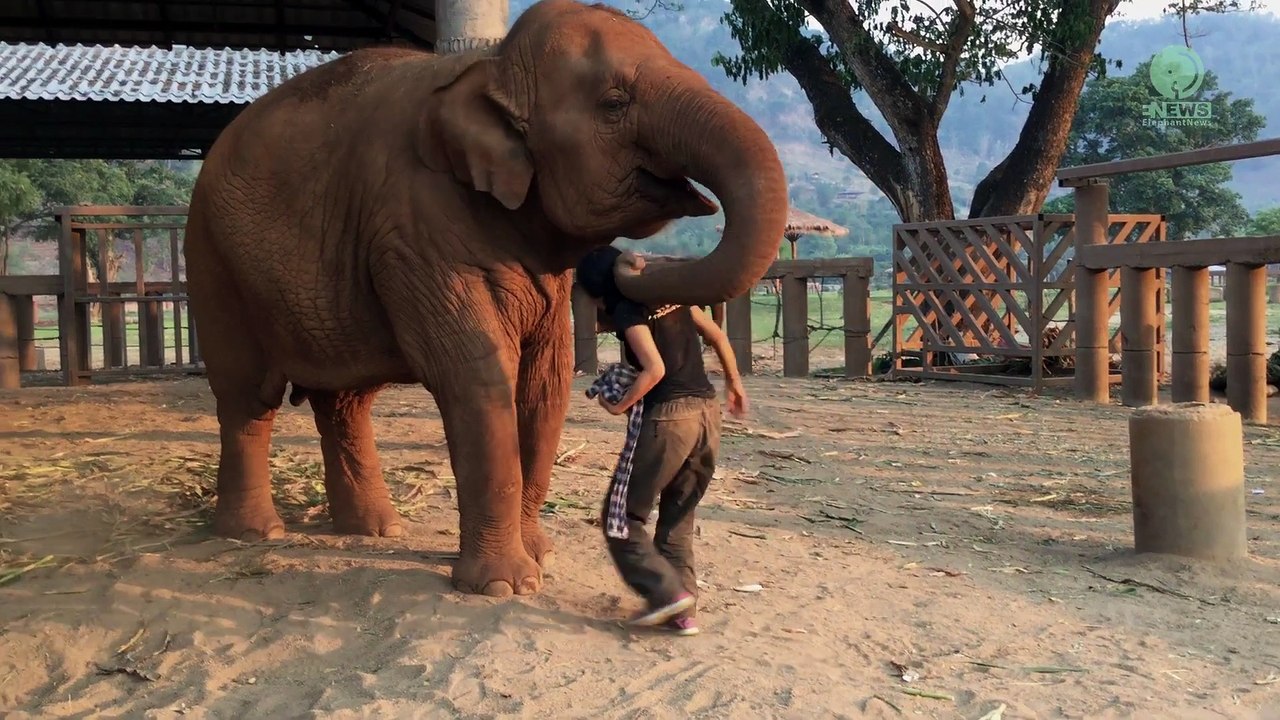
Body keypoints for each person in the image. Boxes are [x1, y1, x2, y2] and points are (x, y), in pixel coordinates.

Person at [575, 246, 748, 637]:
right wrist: (734, 384)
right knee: (678, 514)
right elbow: (717, 334)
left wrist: (619, 405)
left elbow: (655, 369)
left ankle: (666, 594)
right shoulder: (672, 295)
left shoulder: (628, 309)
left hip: (671, 419)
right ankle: (682, 608)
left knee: (622, 519)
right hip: (707, 413)